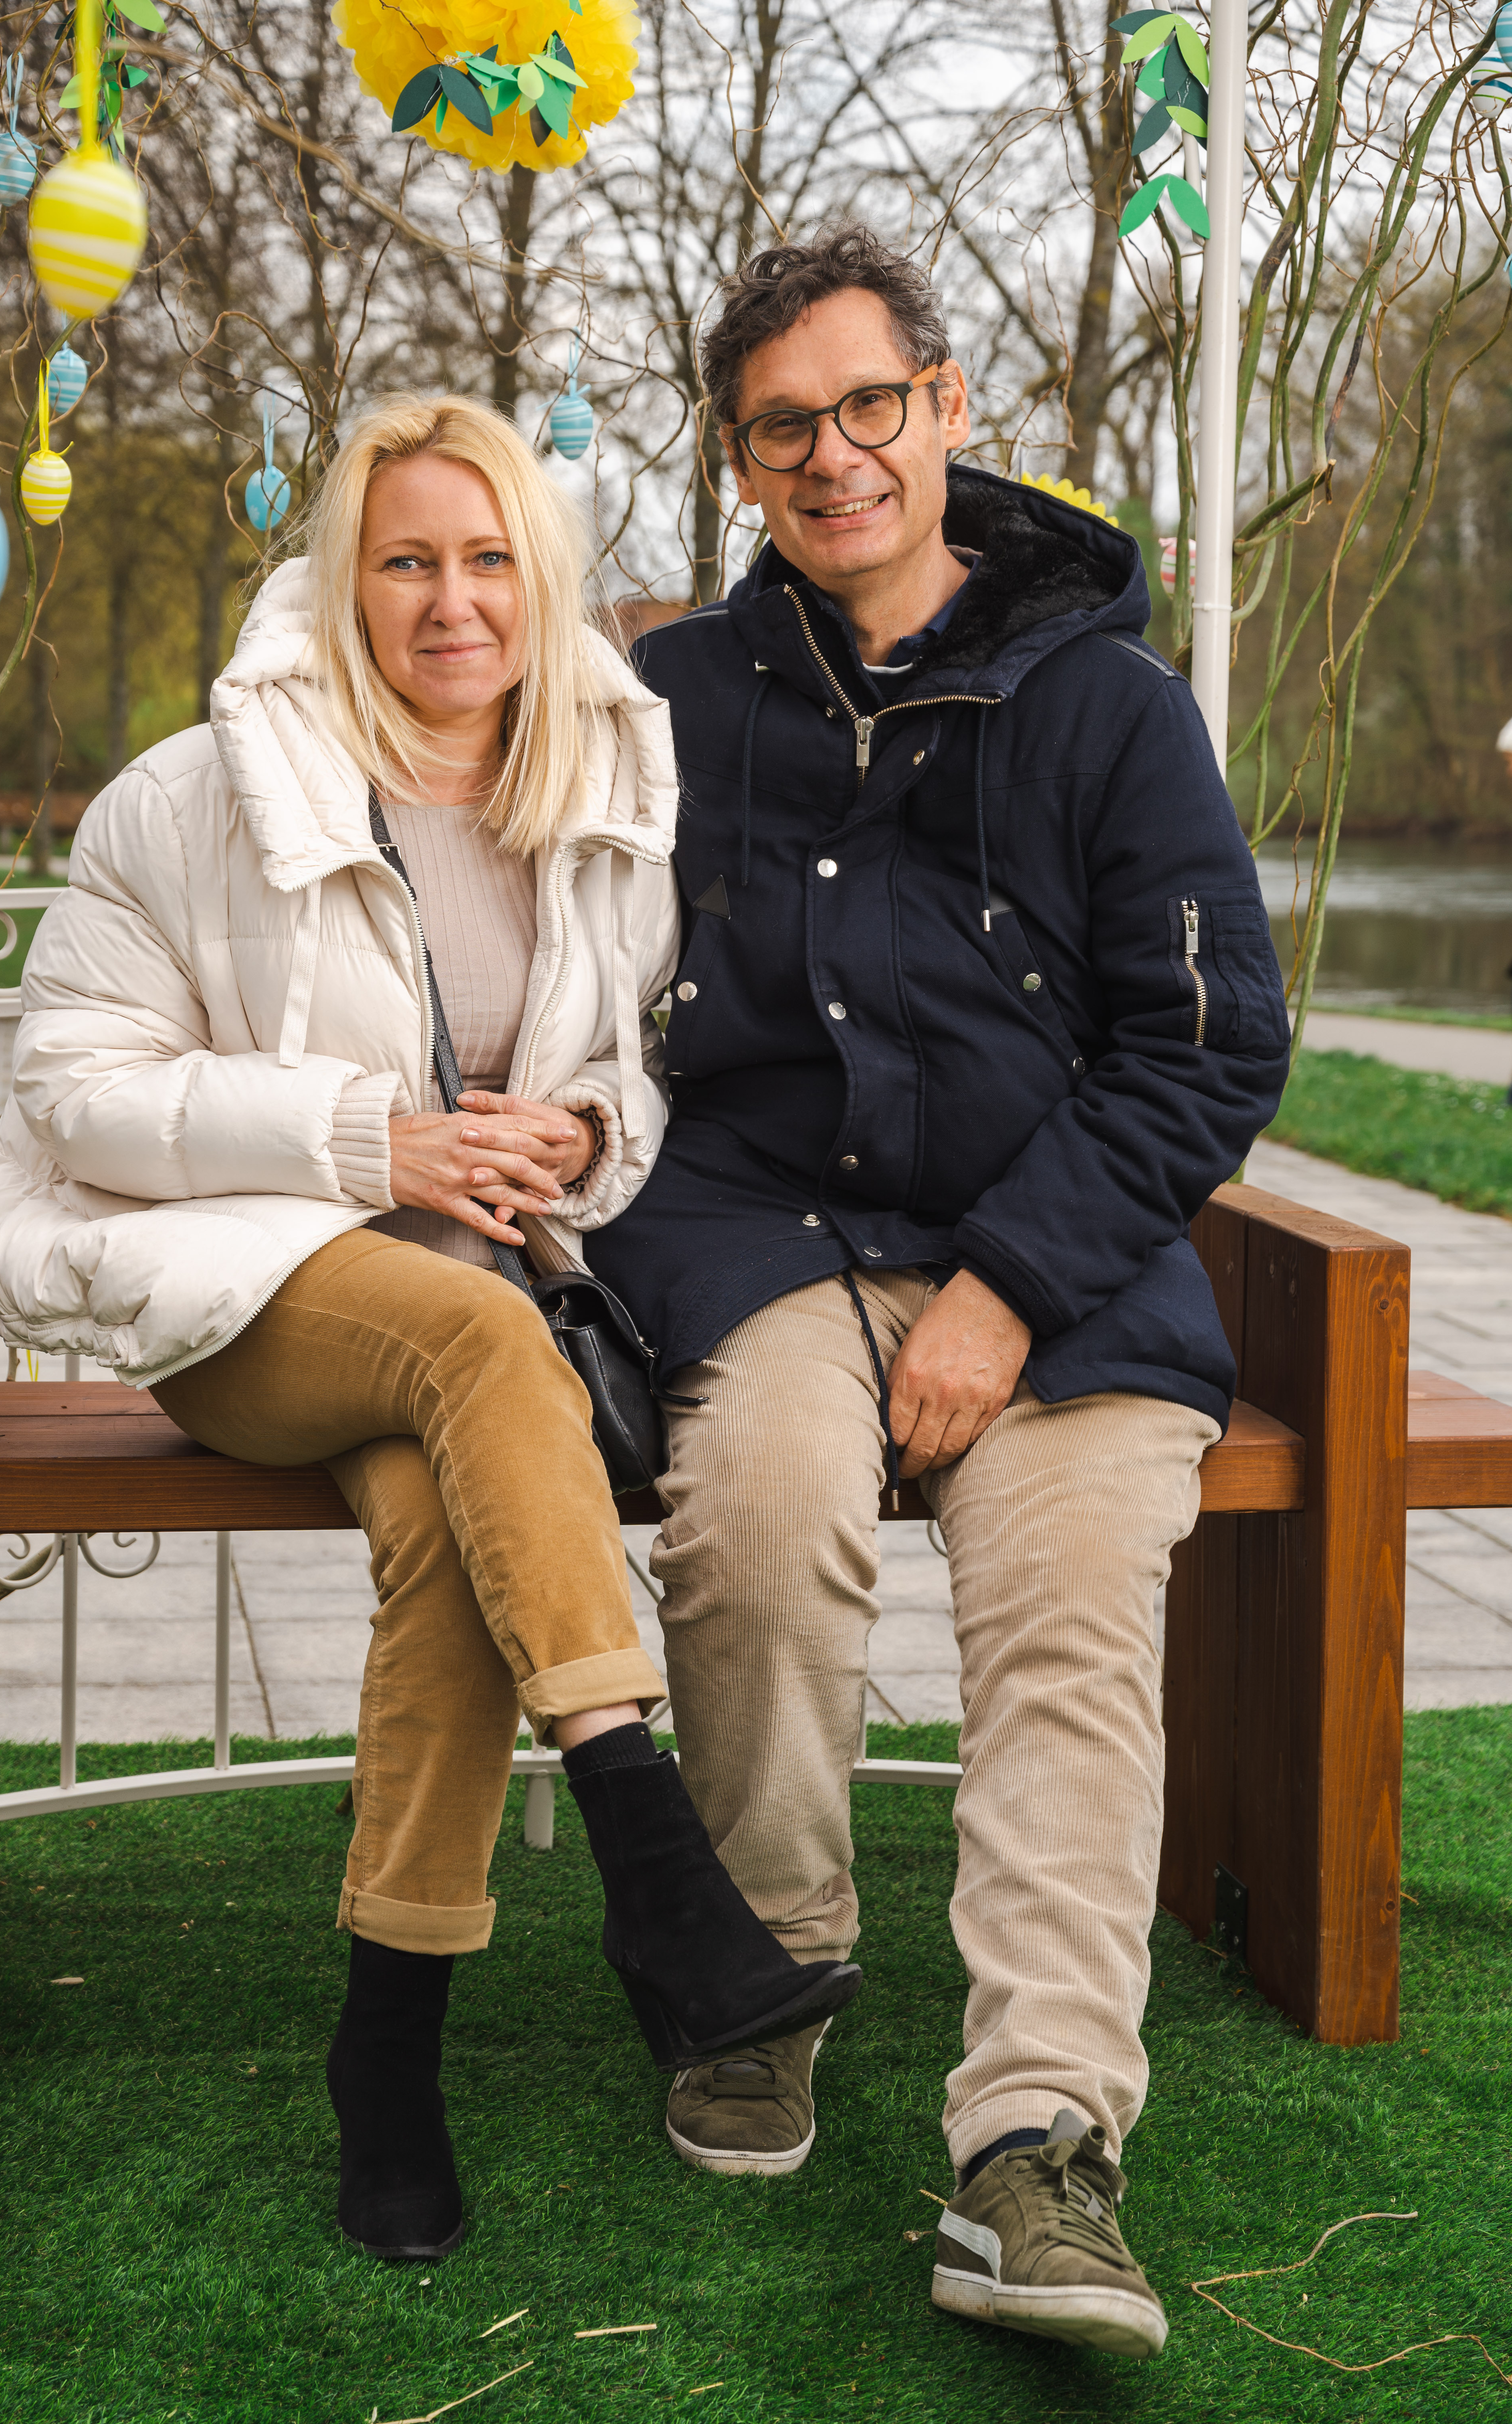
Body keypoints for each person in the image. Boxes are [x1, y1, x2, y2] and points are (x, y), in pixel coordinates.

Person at [0, 392, 859, 2266]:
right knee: (473, 1349)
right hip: (244, 1294)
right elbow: (71, 1089)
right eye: (406, 563)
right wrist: (367, 1138)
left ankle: (388, 2055)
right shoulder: (197, 795)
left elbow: (626, 1056)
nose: (453, 603)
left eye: (485, 561)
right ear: (343, 580)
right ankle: (651, 1860)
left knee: (457, 1528)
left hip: (479, 1312)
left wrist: (586, 1130)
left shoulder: (598, 790)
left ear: (539, 578)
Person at [589, 228, 1291, 2359]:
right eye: (781, 428)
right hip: (762, 1235)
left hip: (1059, 1265)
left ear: (947, 403)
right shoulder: (674, 701)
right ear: (738, 460)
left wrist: (1002, 1290)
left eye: (867, 405)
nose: (834, 457)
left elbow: (1208, 1046)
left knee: (1071, 1610)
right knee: (757, 1519)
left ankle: (1037, 2146)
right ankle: (764, 1978)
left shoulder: (1113, 706)